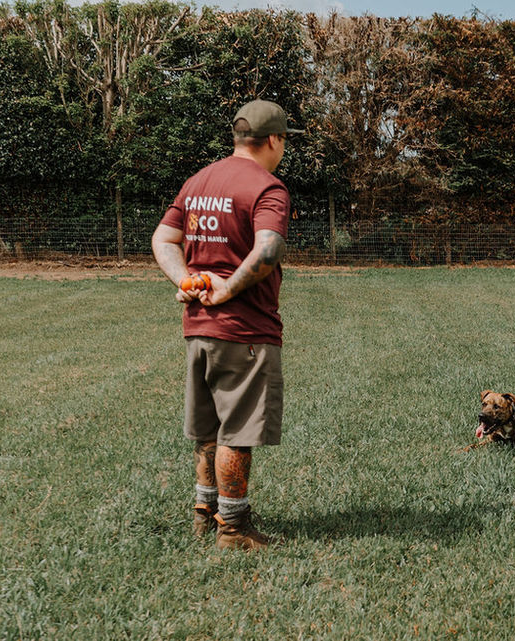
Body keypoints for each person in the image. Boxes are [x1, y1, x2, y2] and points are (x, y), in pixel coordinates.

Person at [151, 99, 292, 550]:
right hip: (244, 330)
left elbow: (163, 237)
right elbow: (268, 250)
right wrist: (227, 289)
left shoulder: (198, 181)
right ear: (273, 140)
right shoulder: (269, 188)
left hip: (197, 327)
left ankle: (203, 514)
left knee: (208, 430)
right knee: (238, 431)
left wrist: (189, 281)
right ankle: (233, 528)